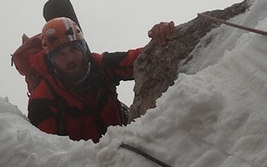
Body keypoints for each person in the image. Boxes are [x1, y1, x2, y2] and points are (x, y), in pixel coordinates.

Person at [12, 16, 175, 142]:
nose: (70, 59)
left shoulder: (98, 65)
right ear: (51, 62)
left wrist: (163, 37)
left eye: (74, 50)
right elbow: (49, 154)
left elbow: (141, 59)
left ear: (84, 50)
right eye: (60, 54)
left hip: (122, 148)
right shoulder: (42, 99)